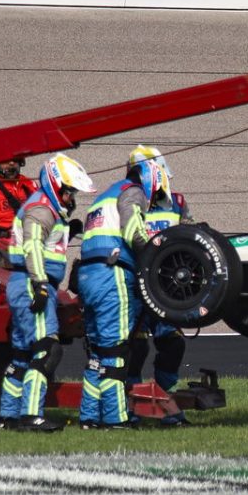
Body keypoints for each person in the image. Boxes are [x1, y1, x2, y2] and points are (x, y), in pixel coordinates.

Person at [0, 153, 95, 432]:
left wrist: (69, 231)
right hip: (32, 283)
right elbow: (32, 248)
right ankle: (31, 415)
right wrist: (40, 284)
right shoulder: (42, 209)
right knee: (46, 350)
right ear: (56, 186)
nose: (71, 198)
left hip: (21, 282)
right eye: (68, 192)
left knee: (20, 355)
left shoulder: (47, 209)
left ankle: (9, 416)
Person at [77, 155, 170, 429]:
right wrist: (155, 256)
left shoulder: (105, 195)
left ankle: (88, 417)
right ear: (152, 180)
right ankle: (116, 418)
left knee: (97, 353)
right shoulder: (134, 192)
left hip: (87, 274)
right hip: (112, 272)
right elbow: (133, 232)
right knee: (116, 351)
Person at [124, 146, 193, 427]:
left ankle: (168, 406)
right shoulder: (128, 200)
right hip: (137, 282)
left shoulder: (176, 201)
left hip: (167, 285)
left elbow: (189, 235)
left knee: (173, 345)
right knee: (135, 348)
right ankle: (131, 407)